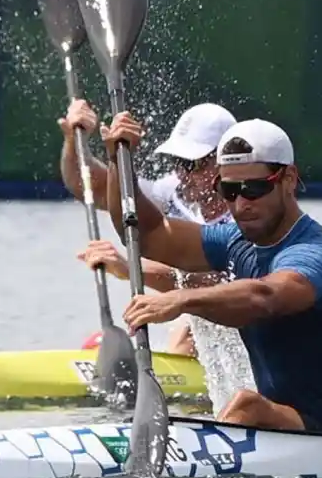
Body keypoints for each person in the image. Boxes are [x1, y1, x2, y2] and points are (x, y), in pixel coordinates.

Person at [79, 113, 322, 434]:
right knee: (248, 407)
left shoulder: (319, 254)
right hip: (286, 429)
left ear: (289, 179)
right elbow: (149, 233)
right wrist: (118, 162)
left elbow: (265, 296)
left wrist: (181, 300)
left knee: (246, 406)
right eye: (228, 189)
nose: (240, 204)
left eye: (253, 189)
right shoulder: (235, 242)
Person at [60, 100, 238, 357]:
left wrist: (129, 268)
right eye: (179, 161)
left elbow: (215, 285)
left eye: (193, 164)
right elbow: (95, 187)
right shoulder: (173, 192)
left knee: (190, 323)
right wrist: (77, 143)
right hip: (203, 328)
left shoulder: (247, 217)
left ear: (225, 163)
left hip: (242, 330)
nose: (182, 174)